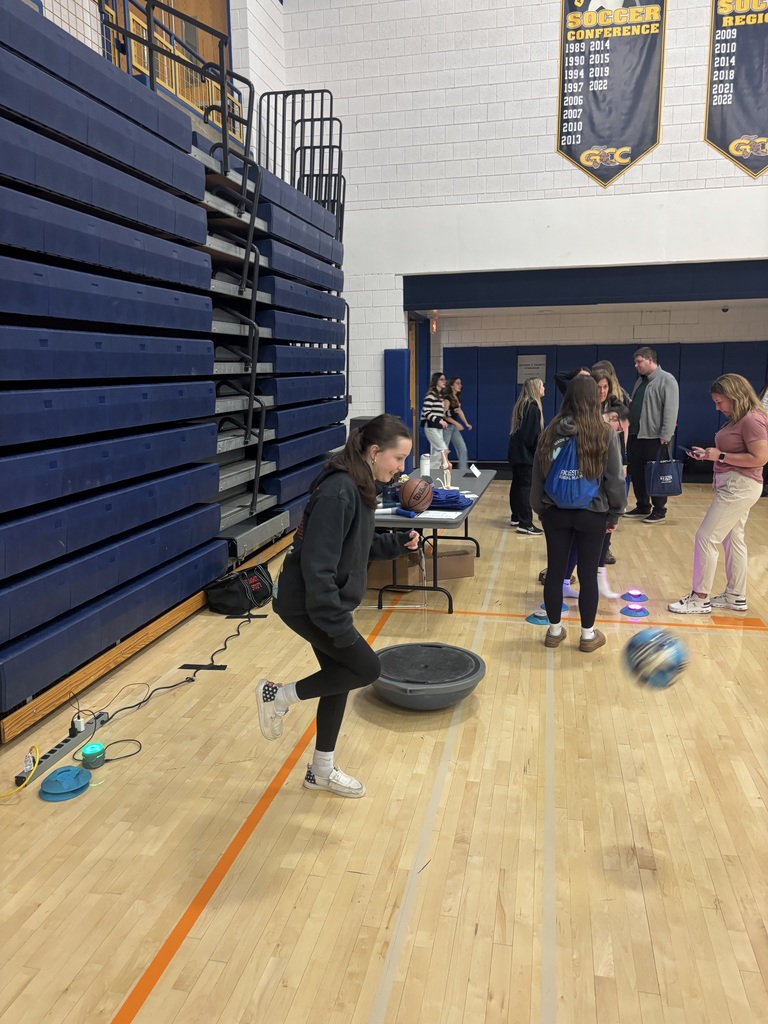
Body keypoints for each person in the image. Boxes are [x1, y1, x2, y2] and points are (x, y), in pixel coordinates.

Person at [256, 415, 421, 797]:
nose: (401, 468)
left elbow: (355, 547)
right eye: (398, 458)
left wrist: (398, 544)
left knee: (340, 677)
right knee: (365, 668)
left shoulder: (360, 485)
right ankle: (276, 696)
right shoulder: (339, 491)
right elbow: (318, 569)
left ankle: (320, 771)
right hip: (305, 603)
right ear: (375, 451)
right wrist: (337, 625)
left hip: (320, 601)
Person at [531, 375, 626, 652]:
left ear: (568, 397)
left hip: (555, 512)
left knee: (555, 571)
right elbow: (614, 479)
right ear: (595, 399)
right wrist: (615, 513)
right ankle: (587, 635)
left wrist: (541, 509)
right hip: (592, 513)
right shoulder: (604, 432)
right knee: (587, 574)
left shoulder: (550, 431)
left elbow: (538, 476)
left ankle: (554, 631)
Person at [668, 374, 768, 614]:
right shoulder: (740, 418)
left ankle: (699, 598)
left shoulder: (752, 420)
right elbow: (734, 452)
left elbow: (760, 458)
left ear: (734, 396)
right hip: (735, 484)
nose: (717, 407)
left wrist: (720, 456)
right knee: (733, 540)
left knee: (706, 537)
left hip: (739, 486)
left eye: (719, 401)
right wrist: (709, 454)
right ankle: (735, 596)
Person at [626, 346, 679, 523]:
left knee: (656, 474)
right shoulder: (640, 382)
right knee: (637, 473)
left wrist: (666, 434)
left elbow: (671, 409)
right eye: (635, 362)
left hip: (655, 438)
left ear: (650, 360)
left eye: (639, 362)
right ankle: (642, 505)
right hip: (636, 435)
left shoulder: (667, 380)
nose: (636, 365)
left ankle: (659, 509)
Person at [507, 377, 545, 535]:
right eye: (542, 386)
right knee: (525, 487)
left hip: (516, 453)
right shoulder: (533, 407)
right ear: (536, 388)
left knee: (517, 484)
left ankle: (516, 516)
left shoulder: (522, 405)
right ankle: (525, 523)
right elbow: (532, 436)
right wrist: (539, 452)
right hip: (525, 455)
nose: (544, 388)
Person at [420, 371, 450, 479]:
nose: (444, 381)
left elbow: (440, 412)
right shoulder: (431, 395)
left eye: (444, 379)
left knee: (437, 453)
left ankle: (430, 474)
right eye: (441, 379)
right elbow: (426, 412)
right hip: (431, 426)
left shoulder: (440, 396)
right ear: (436, 381)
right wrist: (439, 420)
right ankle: (429, 475)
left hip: (437, 427)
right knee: (443, 450)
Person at [443, 376, 472, 470]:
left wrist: (466, 423)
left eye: (460, 383)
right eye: (457, 383)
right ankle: (439, 471)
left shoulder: (457, 398)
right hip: (446, 427)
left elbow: (459, 411)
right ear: (452, 386)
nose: (460, 385)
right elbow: (444, 415)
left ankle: (463, 470)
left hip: (453, 427)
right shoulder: (447, 398)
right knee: (443, 451)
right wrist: (457, 423)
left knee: (462, 449)